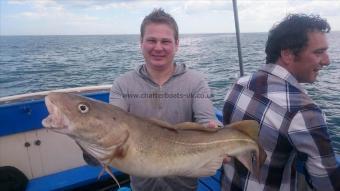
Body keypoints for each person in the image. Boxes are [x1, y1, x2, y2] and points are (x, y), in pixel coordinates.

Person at [222, 14, 340, 191]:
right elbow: (327, 184)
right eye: (318, 52)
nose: (327, 61)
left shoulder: (238, 85)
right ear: (287, 54)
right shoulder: (304, 111)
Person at [107, 8, 221, 191]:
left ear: (176, 44)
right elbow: (112, 125)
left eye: (165, 41)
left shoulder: (196, 82)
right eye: (151, 40)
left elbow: (207, 120)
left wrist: (215, 130)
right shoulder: (122, 85)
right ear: (141, 43)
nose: (158, 47)